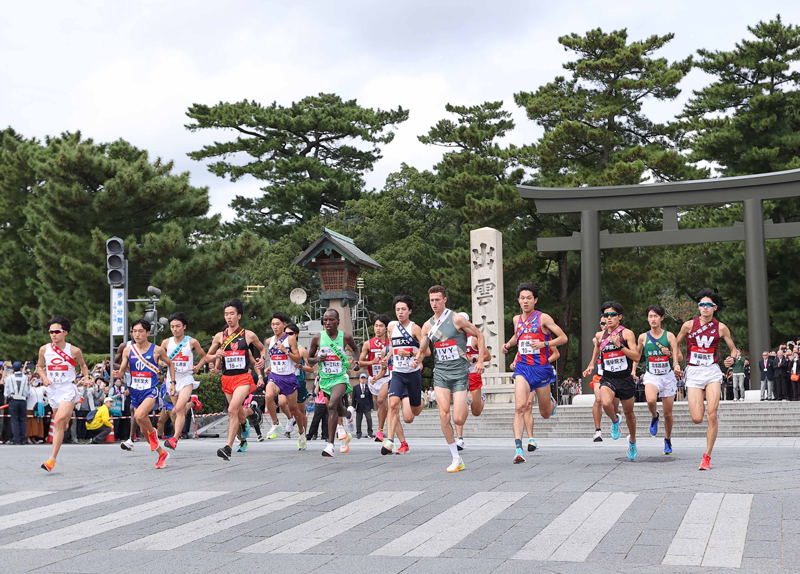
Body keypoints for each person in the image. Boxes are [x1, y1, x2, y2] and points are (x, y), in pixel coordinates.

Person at [412, 286, 487, 473]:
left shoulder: (456, 319)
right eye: (431, 300)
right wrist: (417, 361)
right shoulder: (427, 326)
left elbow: (479, 334)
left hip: (460, 373)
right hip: (441, 374)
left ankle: (472, 400)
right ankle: (456, 457)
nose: (434, 303)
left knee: (458, 418)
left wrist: (479, 361)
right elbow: (422, 350)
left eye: (438, 300)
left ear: (445, 300)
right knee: (444, 416)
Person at [502, 283, 568, 464]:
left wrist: (544, 344)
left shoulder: (543, 318)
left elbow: (563, 337)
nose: (525, 301)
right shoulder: (517, 319)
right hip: (523, 368)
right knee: (520, 407)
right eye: (522, 298)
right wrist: (508, 344)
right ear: (518, 300)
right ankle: (518, 448)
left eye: (529, 298)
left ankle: (550, 404)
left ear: (535, 300)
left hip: (541, 369)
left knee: (545, 413)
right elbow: (518, 336)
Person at [675, 289, 737, 470]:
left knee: (712, 414)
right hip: (693, 372)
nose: (705, 308)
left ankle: (707, 456)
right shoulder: (688, 325)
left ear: (715, 308)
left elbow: (733, 349)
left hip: (712, 372)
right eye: (702, 304)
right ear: (698, 307)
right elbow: (676, 342)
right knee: (696, 418)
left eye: (708, 305)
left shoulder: (721, 327)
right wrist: (676, 361)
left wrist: (732, 359)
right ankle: (700, 398)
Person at [205, 298, 266, 461]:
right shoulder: (219, 337)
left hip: (243, 378)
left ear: (239, 316)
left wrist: (262, 360)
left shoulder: (248, 335)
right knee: (238, 414)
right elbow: (207, 356)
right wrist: (214, 359)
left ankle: (228, 447)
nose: (228, 317)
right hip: (227, 379)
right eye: (226, 314)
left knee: (231, 410)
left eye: (231, 314)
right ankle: (252, 413)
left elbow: (262, 349)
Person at [113, 319, 176, 469]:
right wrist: (118, 373)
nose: (137, 334)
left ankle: (153, 434)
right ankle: (161, 453)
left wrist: (172, 382)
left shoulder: (157, 350)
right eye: (134, 331)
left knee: (140, 416)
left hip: (150, 390)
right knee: (143, 430)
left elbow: (170, 364)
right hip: (135, 391)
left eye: (140, 331)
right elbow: (123, 369)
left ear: (148, 333)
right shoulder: (128, 350)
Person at [37, 316, 91, 472]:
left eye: (56, 332)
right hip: (52, 390)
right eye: (51, 332)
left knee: (59, 421)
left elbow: (83, 366)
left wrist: (87, 378)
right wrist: (44, 378)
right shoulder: (44, 349)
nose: (53, 335)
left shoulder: (74, 350)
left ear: (65, 332)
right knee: (63, 423)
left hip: (68, 388)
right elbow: (40, 367)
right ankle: (66, 423)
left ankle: (51, 459)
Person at [307, 309, 361, 457]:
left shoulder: (345, 337)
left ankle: (330, 445)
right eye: (325, 320)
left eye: (331, 320)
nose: (328, 323)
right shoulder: (318, 337)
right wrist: (317, 359)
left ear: (338, 322)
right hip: (325, 379)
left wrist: (356, 362)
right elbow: (309, 359)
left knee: (331, 407)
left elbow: (356, 350)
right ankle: (348, 413)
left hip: (340, 378)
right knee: (339, 410)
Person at [380, 295, 429, 455]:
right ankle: (390, 441)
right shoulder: (392, 329)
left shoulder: (416, 329)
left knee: (411, 415)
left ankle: (422, 400)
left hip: (413, 375)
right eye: (397, 310)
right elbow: (393, 348)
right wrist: (386, 359)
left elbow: (426, 351)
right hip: (398, 374)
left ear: (410, 311)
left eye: (403, 309)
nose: (400, 313)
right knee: (392, 404)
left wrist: (411, 356)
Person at [591, 302, 640, 460]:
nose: (609, 318)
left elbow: (636, 356)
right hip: (608, 377)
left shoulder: (627, 334)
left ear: (620, 317)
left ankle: (632, 441)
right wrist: (591, 364)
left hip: (624, 378)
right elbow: (597, 350)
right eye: (606, 315)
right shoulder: (600, 335)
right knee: (605, 402)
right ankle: (614, 420)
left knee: (629, 413)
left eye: (612, 315)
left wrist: (620, 347)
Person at [636, 305, 682, 455]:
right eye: (650, 316)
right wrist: (632, 370)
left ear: (662, 318)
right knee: (650, 400)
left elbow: (679, 357)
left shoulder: (669, 336)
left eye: (656, 316)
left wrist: (671, 358)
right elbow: (636, 356)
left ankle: (667, 439)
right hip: (652, 375)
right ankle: (655, 416)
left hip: (667, 376)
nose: (653, 319)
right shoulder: (643, 337)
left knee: (668, 414)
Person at [159, 312, 206, 451]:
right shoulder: (166, 342)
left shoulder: (191, 342)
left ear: (184, 326)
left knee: (178, 409)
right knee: (177, 411)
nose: (175, 329)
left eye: (178, 326)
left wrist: (197, 367)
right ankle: (193, 403)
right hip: (172, 380)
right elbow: (159, 359)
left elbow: (204, 356)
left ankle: (174, 439)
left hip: (186, 378)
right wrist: (162, 364)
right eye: (172, 326)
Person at [261, 312, 306, 449]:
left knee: (294, 409)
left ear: (284, 325)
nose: (275, 327)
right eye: (273, 324)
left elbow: (298, 360)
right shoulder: (269, 341)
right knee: (268, 396)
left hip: (289, 377)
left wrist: (286, 351)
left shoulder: (290, 339)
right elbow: (273, 357)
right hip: (275, 376)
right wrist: (268, 367)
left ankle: (301, 432)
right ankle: (276, 423)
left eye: (278, 324)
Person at [453, 312, 491, 451]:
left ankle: (480, 399)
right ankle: (460, 439)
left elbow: (488, 356)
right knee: (459, 408)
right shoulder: (452, 338)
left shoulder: (474, 339)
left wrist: (474, 359)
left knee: (476, 411)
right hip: (459, 376)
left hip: (473, 375)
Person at [583, 317, 621, 443]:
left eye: (607, 322)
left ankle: (615, 419)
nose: (605, 325)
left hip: (615, 375)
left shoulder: (620, 335)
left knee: (614, 406)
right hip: (600, 376)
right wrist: (590, 365)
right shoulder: (599, 337)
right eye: (602, 323)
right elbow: (595, 340)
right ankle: (598, 430)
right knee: (599, 400)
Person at [359, 314, 391, 443]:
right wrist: (371, 362)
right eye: (376, 326)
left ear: (386, 328)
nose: (378, 329)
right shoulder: (368, 343)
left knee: (381, 401)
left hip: (388, 376)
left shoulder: (391, 342)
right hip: (374, 378)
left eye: (381, 326)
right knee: (381, 405)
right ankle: (385, 426)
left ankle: (380, 430)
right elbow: (360, 362)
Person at [286, 323, 310, 445]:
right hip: (285, 380)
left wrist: (300, 366)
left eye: (290, 334)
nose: (287, 336)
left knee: (301, 412)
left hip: (299, 381)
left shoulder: (302, 350)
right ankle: (290, 418)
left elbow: (310, 368)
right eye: (285, 334)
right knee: (281, 402)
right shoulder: (281, 347)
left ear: (296, 334)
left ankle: (303, 434)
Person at [4, 361, 30, 445]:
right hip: (23, 400)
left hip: (13, 400)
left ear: (13, 369)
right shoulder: (25, 377)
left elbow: (6, 391)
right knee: (22, 419)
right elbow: (27, 389)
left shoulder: (9, 378)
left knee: (14, 420)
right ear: (20, 368)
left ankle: (16, 439)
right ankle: (23, 439)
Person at [353, 373, 374, 438]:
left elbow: (371, 398)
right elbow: (353, 397)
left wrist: (372, 407)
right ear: (359, 379)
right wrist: (353, 406)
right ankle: (358, 433)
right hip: (359, 406)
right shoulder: (356, 387)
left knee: (369, 419)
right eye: (362, 378)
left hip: (367, 405)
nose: (363, 380)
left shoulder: (368, 387)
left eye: (364, 378)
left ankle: (370, 432)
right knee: (358, 420)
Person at [26, 376, 46, 443]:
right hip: (30, 407)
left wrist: (43, 380)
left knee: (36, 424)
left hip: (39, 408)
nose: (35, 381)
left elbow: (48, 389)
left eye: (36, 380)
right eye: (34, 380)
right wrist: (29, 383)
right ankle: (28, 437)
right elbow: (26, 391)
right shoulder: (29, 388)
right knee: (29, 424)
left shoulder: (41, 388)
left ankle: (34, 437)